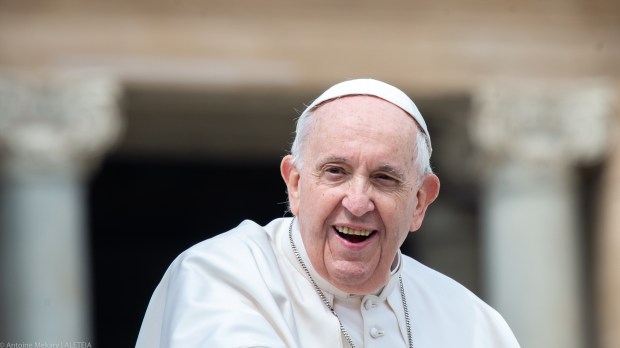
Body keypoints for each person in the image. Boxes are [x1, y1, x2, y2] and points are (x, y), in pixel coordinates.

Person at [136, 79, 520, 348]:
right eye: (335, 172)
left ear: (420, 202)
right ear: (296, 185)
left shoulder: (473, 323)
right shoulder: (219, 275)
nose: (357, 202)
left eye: (384, 178)